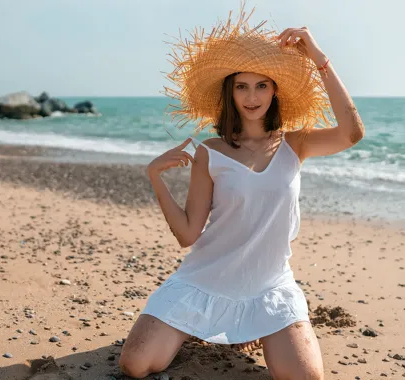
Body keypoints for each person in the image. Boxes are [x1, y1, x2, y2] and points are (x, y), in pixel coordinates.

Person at [119, 6, 364, 380]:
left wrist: (317, 55)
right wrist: (155, 177)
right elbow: (187, 235)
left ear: (274, 90)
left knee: (306, 377)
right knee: (135, 364)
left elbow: (352, 132)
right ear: (230, 92)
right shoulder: (210, 152)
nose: (252, 96)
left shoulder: (295, 145)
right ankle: (194, 326)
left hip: (269, 287)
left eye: (262, 85)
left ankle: (250, 328)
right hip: (203, 281)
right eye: (242, 86)